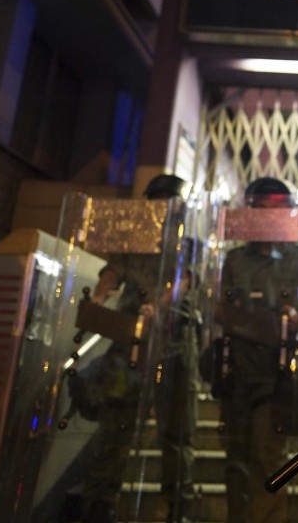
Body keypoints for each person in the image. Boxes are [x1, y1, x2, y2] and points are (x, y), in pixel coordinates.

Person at [79, 173, 200, 523]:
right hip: (130, 341)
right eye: (158, 201)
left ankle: (177, 506)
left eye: (169, 201)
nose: (163, 207)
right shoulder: (134, 235)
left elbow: (184, 279)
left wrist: (158, 307)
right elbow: (114, 270)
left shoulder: (188, 241)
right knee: (117, 424)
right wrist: (99, 299)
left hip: (174, 342)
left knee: (176, 432)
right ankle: (99, 503)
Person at [216, 177, 298, 523]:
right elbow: (218, 308)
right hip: (236, 370)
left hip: (276, 374)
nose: (266, 217)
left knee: (269, 458)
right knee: (235, 458)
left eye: (274, 210)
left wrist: (297, 318)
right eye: (259, 209)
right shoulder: (235, 259)